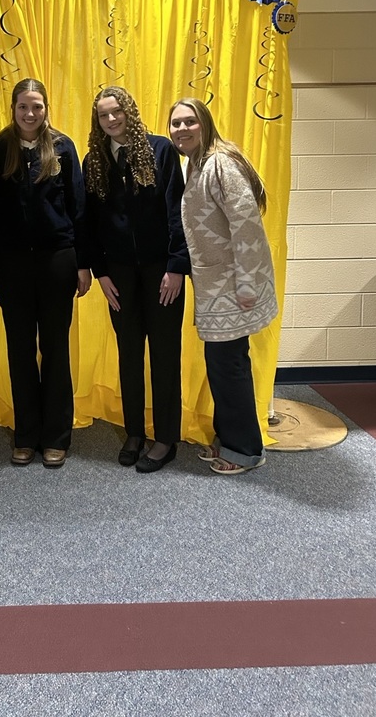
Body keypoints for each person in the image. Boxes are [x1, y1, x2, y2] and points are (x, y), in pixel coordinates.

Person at [0, 77, 91, 468]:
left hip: (57, 260)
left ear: (46, 109)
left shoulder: (63, 147)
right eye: (24, 106)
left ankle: (56, 435)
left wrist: (82, 263)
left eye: (37, 107)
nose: (30, 113)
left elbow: (78, 206)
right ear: (13, 109)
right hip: (11, 264)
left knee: (56, 348)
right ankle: (26, 434)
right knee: (21, 350)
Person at [168, 97, 278, 475]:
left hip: (232, 284)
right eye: (176, 123)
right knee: (223, 365)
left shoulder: (220, 163)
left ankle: (245, 449)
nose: (182, 129)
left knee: (228, 366)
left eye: (189, 122)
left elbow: (246, 226)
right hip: (216, 284)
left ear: (205, 124)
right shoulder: (197, 164)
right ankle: (229, 438)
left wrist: (246, 284)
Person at [84, 87, 189, 473]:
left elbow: (178, 211)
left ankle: (165, 439)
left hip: (162, 272)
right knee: (129, 354)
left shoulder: (160, 150)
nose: (111, 121)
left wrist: (177, 266)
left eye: (116, 113)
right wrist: (102, 273)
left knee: (164, 355)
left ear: (129, 111)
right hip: (120, 276)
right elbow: (90, 223)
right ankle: (134, 432)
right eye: (103, 116)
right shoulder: (93, 160)